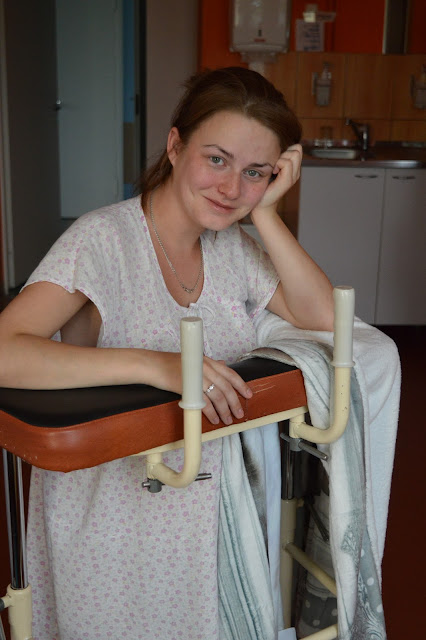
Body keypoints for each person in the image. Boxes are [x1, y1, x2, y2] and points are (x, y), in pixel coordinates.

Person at [0, 67, 333, 639]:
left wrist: (267, 213)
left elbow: (324, 314)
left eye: (255, 172)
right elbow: (5, 349)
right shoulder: (102, 240)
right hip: (109, 518)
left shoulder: (233, 247)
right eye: (217, 159)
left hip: (202, 510)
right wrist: (156, 363)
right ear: (176, 147)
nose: (231, 188)